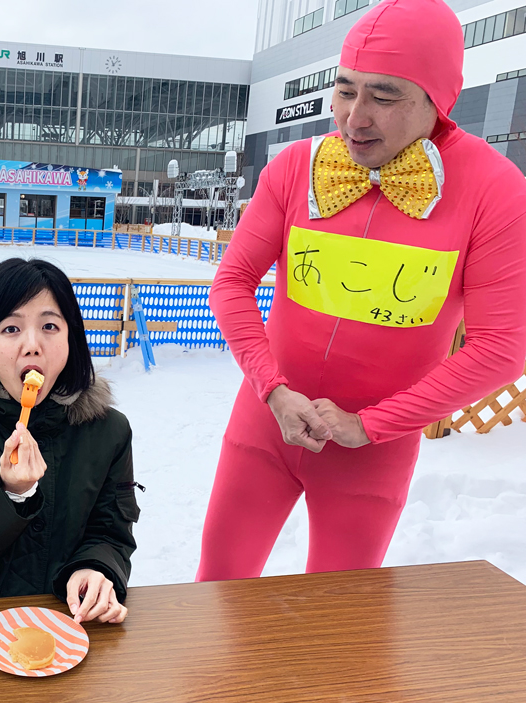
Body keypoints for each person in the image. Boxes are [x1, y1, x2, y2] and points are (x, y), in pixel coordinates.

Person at [197, 0, 526, 581]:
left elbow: (503, 346)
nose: (354, 118)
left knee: (338, 629)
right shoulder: (296, 166)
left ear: (439, 100)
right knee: (214, 592)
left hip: (372, 449)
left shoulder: (495, 191)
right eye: (345, 89)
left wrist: (370, 424)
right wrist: (271, 388)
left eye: (385, 94)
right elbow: (233, 282)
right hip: (266, 422)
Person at [0, 258, 139, 623]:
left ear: (71, 339)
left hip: (64, 622)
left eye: (50, 325)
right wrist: (10, 493)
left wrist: (96, 568)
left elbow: (110, 531)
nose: (32, 345)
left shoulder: (108, 430)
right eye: (11, 328)